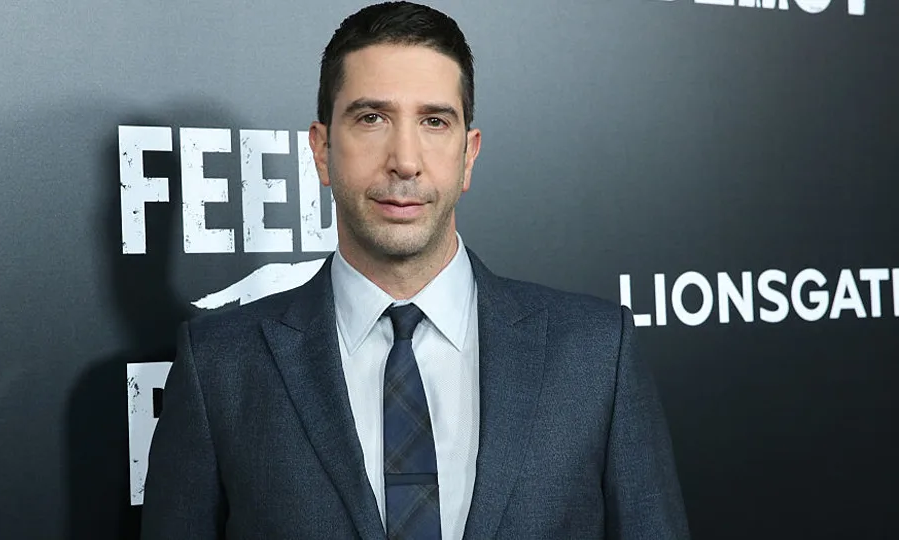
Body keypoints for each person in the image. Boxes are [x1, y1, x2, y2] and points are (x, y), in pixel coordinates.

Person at [140, 2, 690, 538]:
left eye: (434, 121)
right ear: (322, 150)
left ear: (468, 154)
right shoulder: (218, 366)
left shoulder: (596, 355)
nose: (405, 159)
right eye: (372, 118)